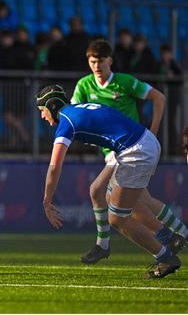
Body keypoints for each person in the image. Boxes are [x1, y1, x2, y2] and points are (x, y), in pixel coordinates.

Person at [36, 84, 181, 279]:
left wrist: (47, 200)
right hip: (139, 143)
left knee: (117, 218)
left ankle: (166, 256)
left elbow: (54, 166)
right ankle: (162, 237)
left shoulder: (66, 122)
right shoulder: (79, 108)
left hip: (135, 152)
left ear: (52, 106)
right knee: (102, 192)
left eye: (42, 110)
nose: (42, 116)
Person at [71, 39, 186, 264]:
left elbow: (159, 97)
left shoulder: (124, 82)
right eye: (93, 61)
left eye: (101, 61)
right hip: (112, 151)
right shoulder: (84, 85)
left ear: (110, 61)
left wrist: (152, 131)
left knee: (98, 191)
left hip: (128, 148)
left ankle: (103, 245)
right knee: (142, 200)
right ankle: (177, 235)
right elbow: (75, 112)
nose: (97, 66)